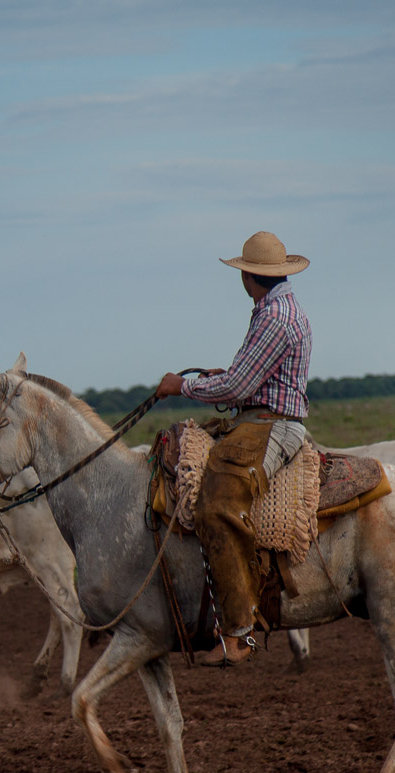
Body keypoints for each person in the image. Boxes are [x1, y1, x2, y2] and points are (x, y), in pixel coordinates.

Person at [155, 230, 313, 665]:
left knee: (214, 506)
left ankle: (240, 633)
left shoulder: (273, 318)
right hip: (258, 417)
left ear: (248, 274)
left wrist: (182, 385)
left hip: (268, 426)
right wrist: (221, 377)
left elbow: (240, 385)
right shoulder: (276, 308)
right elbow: (247, 378)